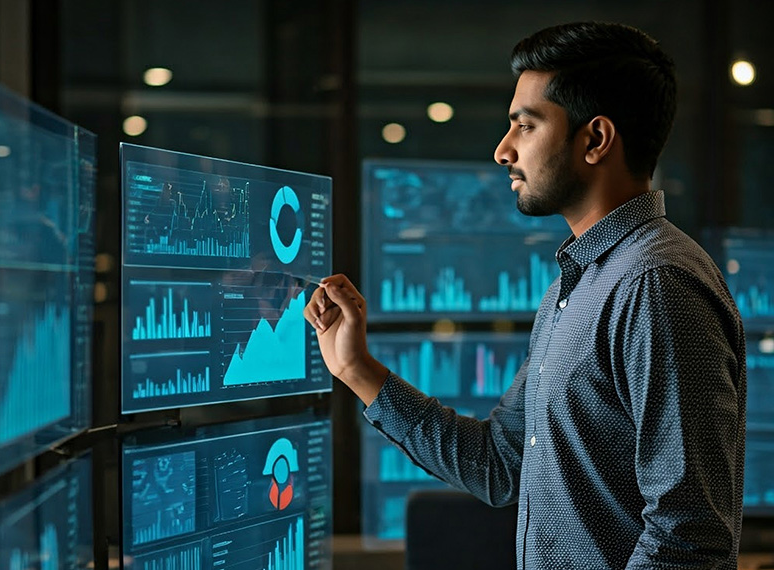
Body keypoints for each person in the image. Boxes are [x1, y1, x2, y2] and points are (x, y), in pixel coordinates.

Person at [305, 21, 746, 569]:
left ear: (596, 140)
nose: (503, 150)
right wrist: (356, 369)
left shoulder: (655, 285)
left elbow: (690, 538)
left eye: (526, 125)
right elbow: (499, 463)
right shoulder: (576, 282)